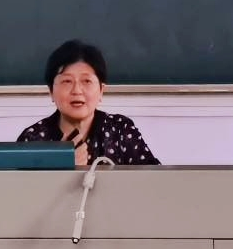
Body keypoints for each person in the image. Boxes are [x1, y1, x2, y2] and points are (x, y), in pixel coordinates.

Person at [16, 39, 160, 166]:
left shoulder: (120, 130)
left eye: (86, 81)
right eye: (67, 81)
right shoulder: (32, 140)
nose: (77, 90)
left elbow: (155, 181)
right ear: (51, 91)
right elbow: (18, 187)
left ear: (101, 90)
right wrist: (60, 168)